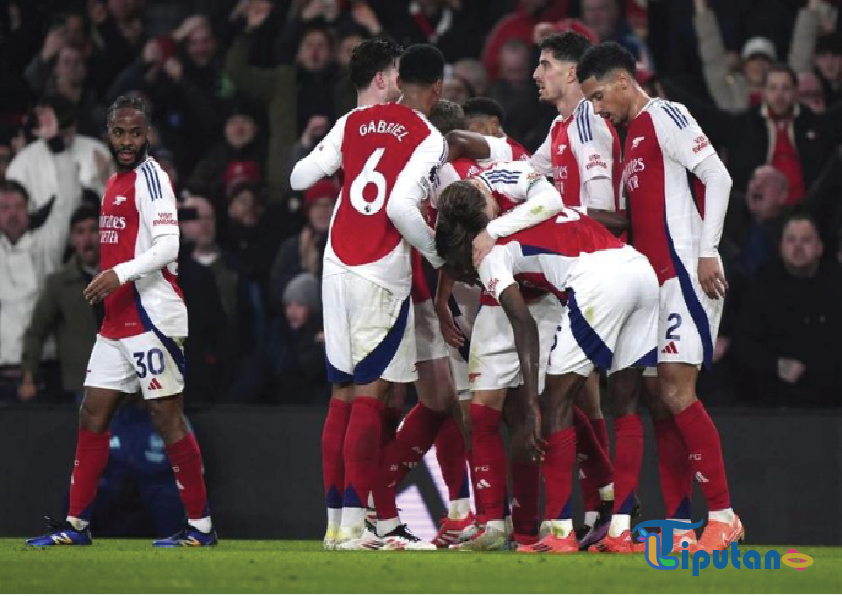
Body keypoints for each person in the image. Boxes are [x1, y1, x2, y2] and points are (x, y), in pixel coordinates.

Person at [434, 162, 658, 552]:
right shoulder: (532, 207)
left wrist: (534, 403)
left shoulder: (487, 250)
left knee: (555, 402)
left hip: (594, 281)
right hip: (639, 270)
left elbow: (521, 321)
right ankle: (620, 529)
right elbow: (601, 217)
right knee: (625, 403)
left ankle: (559, 533)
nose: (463, 273)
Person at [26, 95, 216, 548]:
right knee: (92, 413)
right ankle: (76, 525)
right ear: (108, 134)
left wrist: (117, 273)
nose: (128, 141)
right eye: (119, 132)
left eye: (136, 133)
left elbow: (169, 246)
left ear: (147, 134)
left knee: (167, 420)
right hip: (118, 320)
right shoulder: (115, 181)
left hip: (152, 317)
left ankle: (201, 528)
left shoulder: (153, 180)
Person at [578, 41, 743, 553]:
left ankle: (723, 516)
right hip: (653, 285)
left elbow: (718, 174)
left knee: (675, 391)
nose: (598, 108)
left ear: (625, 81)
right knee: (660, 401)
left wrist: (708, 250)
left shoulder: (666, 115)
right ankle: (677, 525)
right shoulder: (629, 141)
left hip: (685, 275)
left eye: (600, 95)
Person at [289, 43, 447, 551]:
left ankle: (337, 524)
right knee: (373, 396)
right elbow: (402, 208)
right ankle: (359, 525)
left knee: (340, 394)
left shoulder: (349, 123)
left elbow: (299, 177)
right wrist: (438, 255)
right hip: (379, 270)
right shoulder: (425, 133)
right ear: (387, 78)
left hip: (334, 265)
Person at [0, 106, 82, 403]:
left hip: (44, 369)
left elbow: (69, 200)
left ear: (29, 209)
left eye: (18, 207)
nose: (11, 214)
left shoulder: (45, 245)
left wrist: (56, 146)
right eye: (4, 208)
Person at [733, 214, 842, 407]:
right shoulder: (763, 283)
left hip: (832, 396)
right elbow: (744, 342)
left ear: (820, 247)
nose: (798, 247)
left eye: (806, 240)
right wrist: (776, 365)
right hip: (775, 396)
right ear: (781, 247)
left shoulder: (836, 282)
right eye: (791, 240)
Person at [20, 206, 100, 402]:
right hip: (82, 387)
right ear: (72, 240)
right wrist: (28, 378)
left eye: (94, 230)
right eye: (80, 232)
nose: (87, 238)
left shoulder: (125, 277)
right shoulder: (60, 283)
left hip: (128, 390)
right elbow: (36, 332)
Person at [461, 97, 530, 161]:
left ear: (493, 125)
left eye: (467, 130)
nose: (463, 137)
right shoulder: (521, 154)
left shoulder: (507, 154)